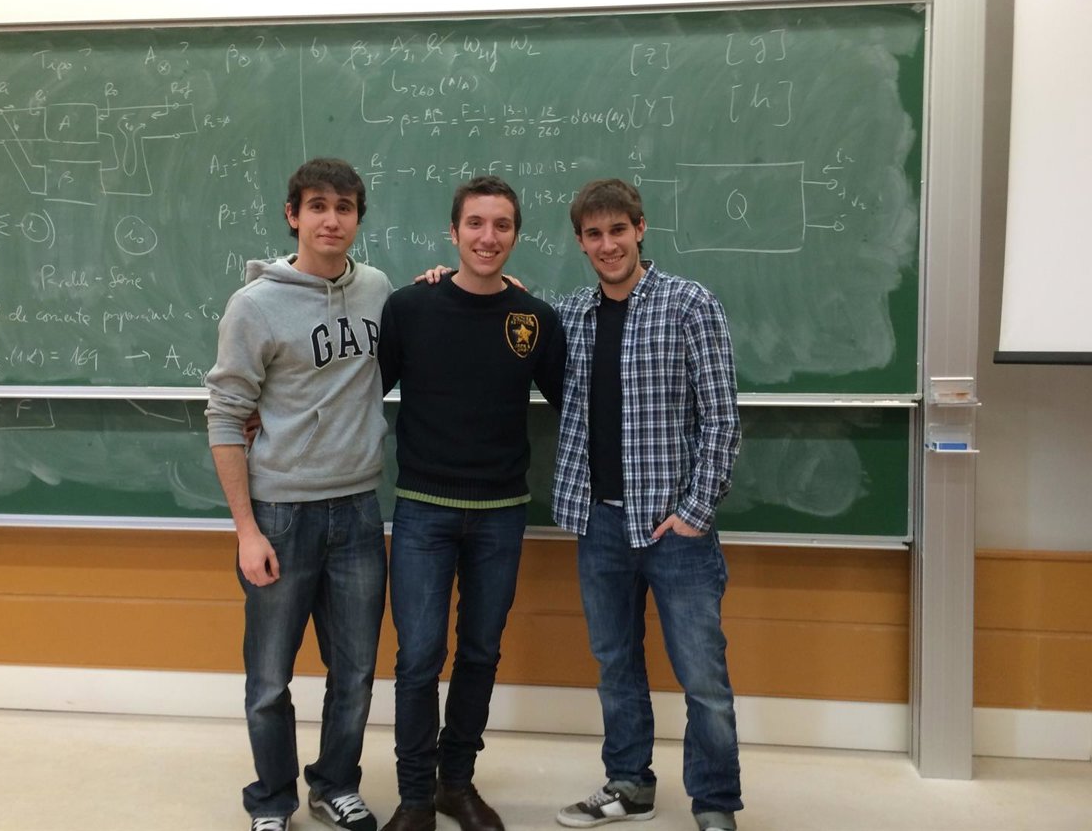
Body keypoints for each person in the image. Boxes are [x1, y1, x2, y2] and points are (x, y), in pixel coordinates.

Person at [551, 179, 744, 831]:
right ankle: (629, 785)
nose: (608, 245)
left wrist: (695, 512)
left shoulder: (689, 304)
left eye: (618, 230)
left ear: (640, 229)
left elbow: (722, 420)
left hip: (674, 529)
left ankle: (715, 803)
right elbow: (506, 318)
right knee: (616, 667)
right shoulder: (571, 315)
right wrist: (445, 280)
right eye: (594, 234)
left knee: (703, 678)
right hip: (599, 523)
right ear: (581, 242)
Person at [205, 157, 391, 831]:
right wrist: (246, 530)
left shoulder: (378, 289)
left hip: (359, 511)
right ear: (293, 215)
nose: (331, 220)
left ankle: (335, 784)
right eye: (317, 206)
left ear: (358, 219)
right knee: (269, 679)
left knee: (356, 672)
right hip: (280, 516)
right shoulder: (254, 305)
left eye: (344, 208)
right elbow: (225, 418)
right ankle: (272, 800)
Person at [377, 176, 566, 831]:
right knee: (418, 659)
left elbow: (574, 401)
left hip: (501, 513)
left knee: (481, 652)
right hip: (423, 509)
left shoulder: (534, 319)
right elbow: (360, 391)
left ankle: (455, 784)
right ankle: (413, 798)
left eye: (502, 225)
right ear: (453, 233)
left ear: (516, 235)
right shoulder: (409, 307)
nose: (489, 237)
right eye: (476, 224)